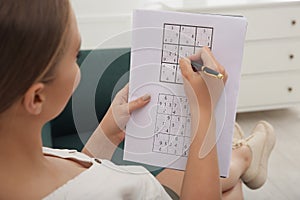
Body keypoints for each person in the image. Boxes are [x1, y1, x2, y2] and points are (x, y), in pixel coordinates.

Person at [0, 0, 276, 199]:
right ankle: (244, 154)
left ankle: (243, 156)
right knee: (228, 188)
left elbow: (72, 182)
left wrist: (107, 131)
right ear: (37, 97)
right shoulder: (122, 190)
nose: (79, 64)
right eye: (75, 56)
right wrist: (205, 109)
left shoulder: (25, 162)